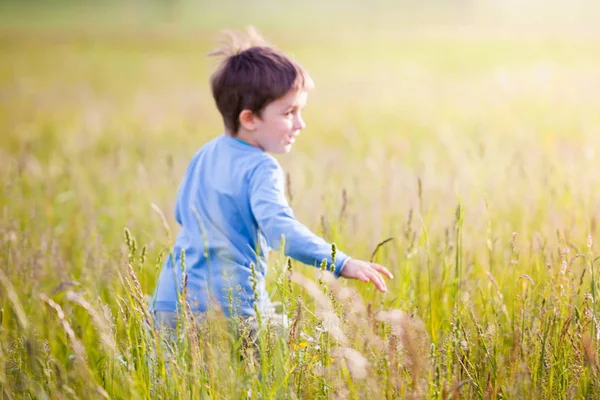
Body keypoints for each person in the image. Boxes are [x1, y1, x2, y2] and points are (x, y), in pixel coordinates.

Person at [150, 27, 393, 339]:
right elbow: (282, 232)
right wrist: (341, 263)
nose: (300, 123)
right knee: (282, 360)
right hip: (228, 308)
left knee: (182, 386)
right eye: (289, 112)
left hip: (170, 301)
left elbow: (182, 212)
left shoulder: (205, 153)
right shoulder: (261, 167)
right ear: (250, 119)